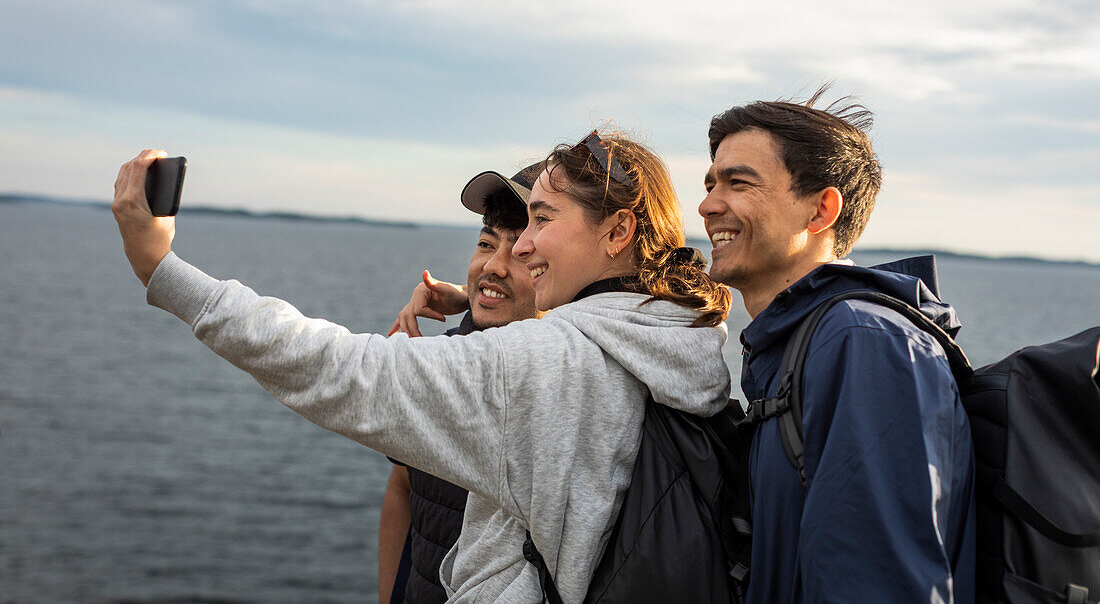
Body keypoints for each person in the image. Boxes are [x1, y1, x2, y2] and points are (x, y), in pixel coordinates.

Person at [112, 132, 732, 603]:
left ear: (618, 230)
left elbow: (340, 369)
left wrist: (162, 271)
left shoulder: (547, 366)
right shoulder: (664, 333)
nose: (520, 246)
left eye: (542, 220)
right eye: (501, 234)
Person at [698, 92, 975, 602]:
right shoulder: (797, 345)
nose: (708, 204)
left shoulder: (863, 343)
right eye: (711, 183)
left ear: (821, 210)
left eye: (738, 182)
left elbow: (883, 585)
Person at [379, 163, 541, 604]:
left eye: (523, 252)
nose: (493, 265)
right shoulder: (441, 360)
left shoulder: (574, 381)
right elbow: (402, 484)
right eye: (487, 243)